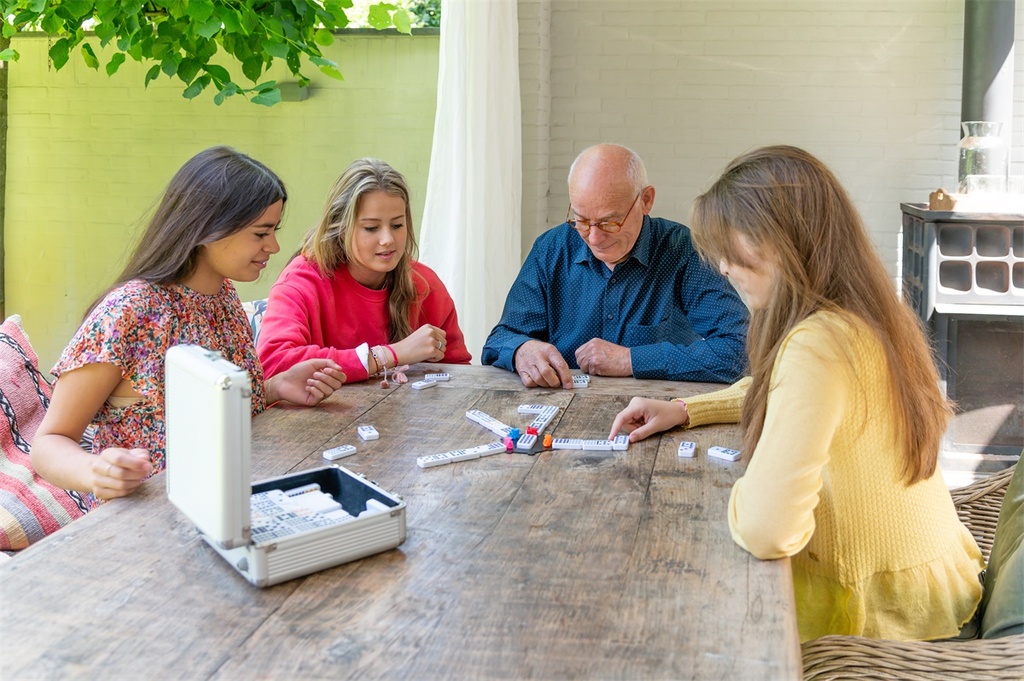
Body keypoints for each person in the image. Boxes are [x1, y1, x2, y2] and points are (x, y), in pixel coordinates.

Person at [608, 145, 984, 642]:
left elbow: (767, 530)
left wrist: (739, 491)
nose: (723, 267)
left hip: (882, 624)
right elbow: (791, 391)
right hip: (933, 589)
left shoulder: (817, 343)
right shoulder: (861, 314)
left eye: (730, 248)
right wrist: (685, 409)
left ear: (782, 239)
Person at [33, 147, 345, 508]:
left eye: (273, 230)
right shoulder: (130, 310)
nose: (273, 246)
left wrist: (275, 387)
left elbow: (208, 414)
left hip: (227, 504)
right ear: (207, 227)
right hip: (143, 519)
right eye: (260, 233)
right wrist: (95, 470)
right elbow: (49, 442)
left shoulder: (224, 295)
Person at [481, 143, 748, 389]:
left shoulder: (683, 251)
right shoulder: (551, 250)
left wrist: (631, 360)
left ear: (646, 200)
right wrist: (521, 350)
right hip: (560, 407)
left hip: (658, 409)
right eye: (581, 221)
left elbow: (742, 350)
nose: (594, 238)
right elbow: (500, 339)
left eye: (610, 222)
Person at [257, 158, 471, 383]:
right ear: (341, 226)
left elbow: (459, 373)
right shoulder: (301, 281)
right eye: (371, 228)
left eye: (397, 225)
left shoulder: (425, 284)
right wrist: (389, 355)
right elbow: (274, 364)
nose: (388, 239)